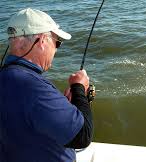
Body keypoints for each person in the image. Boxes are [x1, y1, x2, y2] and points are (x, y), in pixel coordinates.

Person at [0, 8, 93, 162]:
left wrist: (62, 105)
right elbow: (82, 136)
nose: (56, 49)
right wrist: (79, 89)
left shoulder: (8, 78)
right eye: (57, 43)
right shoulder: (31, 86)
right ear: (42, 41)